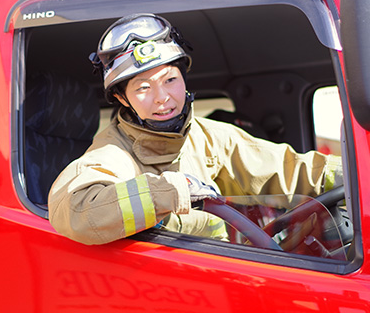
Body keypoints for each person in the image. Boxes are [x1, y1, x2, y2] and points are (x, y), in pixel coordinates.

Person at [48, 13, 342, 245]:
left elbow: (290, 170)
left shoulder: (208, 136)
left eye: (170, 80)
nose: (163, 97)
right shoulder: (113, 153)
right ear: (122, 99)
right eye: (143, 88)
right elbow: (74, 211)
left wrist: (351, 176)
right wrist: (169, 193)